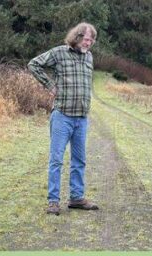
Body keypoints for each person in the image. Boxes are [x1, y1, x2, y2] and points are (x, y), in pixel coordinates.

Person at [28, 23, 99, 215]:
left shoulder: (89, 57)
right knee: (56, 160)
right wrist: (50, 85)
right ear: (76, 37)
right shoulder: (60, 52)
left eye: (92, 40)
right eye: (86, 39)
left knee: (79, 160)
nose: (89, 43)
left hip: (81, 118)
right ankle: (53, 201)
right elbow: (34, 64)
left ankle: (76, 198)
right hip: (62, 117)